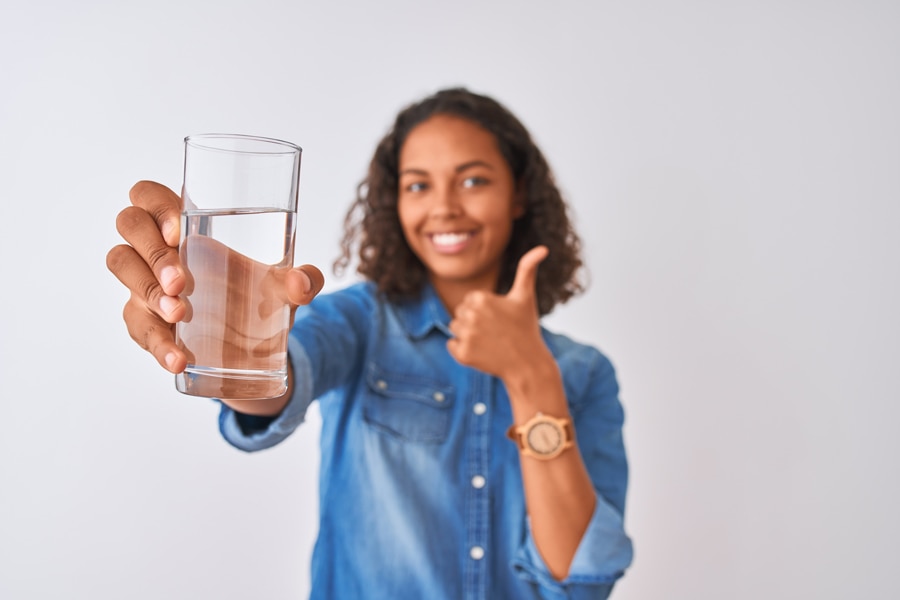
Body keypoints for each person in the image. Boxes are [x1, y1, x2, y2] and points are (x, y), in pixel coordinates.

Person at [107, 88, 633, 599]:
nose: (444, 207)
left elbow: (580, 582)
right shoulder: (360, 322)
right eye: (418, 185)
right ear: (394, 201)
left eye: (473, 180)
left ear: (518, 194)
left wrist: (531, 377)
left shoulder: (583, 372)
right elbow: (273, 388)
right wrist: (232, 336)